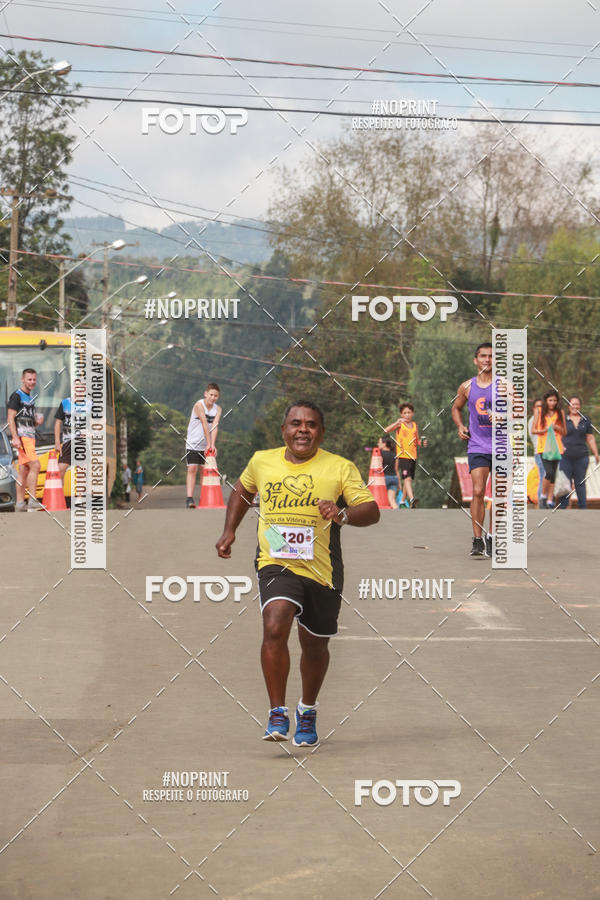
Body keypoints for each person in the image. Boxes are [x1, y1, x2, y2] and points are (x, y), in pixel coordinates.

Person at [216, 400, 380, 747]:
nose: (302, 429)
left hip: (322, 569)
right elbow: (244, 490)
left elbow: (371, 509)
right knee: (275, 624)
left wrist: (342, 514)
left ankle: (307, 709)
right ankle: (277, 711)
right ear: (284, 431)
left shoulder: (339, 467)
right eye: (295, 423)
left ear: (321, 431)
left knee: (315, 645)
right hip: (276, 562)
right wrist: (229, 529)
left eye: (311, 424)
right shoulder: (263, 460)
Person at [451, 343, 493, 557]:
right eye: (483, 356)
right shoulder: (467, 386)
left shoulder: (504, 386)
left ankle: (492, 537)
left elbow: (518, 411)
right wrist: (460, 426)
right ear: (476, 360)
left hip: (502, 445)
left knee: (499, 496)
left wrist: (504, 417)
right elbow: (455, 408)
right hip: (477, 445)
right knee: (478, 491)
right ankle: (477, 539)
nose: (487, 360)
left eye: (492, 356)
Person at [7, 367, 44, 511]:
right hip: (23, 438)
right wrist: (15, 437)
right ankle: (33, 500)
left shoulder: (30, 398)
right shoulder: (17, 396)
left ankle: (20, 503)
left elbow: (27, 420)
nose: (32, 382)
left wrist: (36, 422)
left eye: (34, 379)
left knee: (23, 470)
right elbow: (10, 418)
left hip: (30, 437)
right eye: (29, 379)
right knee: (36, 465)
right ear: (22, 379)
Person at [383, 402, 427, 508]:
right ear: (401, 415)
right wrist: (396, 422)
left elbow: (416, 441)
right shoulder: (400, 424)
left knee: (409, 480)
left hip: (413, 456)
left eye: (409, 412)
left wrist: (423, 443)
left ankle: (402, 501)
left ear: (412, 413)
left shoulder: (414, 425)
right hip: (403, 456)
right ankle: (412, 499)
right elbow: (386, 430)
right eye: (404, 413)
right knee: (407, 479)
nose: (407, 415)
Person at [558, 396, 599, 510]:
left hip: (581, 457)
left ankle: (583, 509)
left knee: (580, 483)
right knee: (565, 484)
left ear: (580, 406)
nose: (575, 406)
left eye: (577, 404)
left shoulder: (586, 419)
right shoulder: (563, 419)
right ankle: (563, 509)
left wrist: (596, 453)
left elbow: (590, 437)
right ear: (568, 406)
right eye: (572, 404)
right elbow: (558, 436)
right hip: (565, 457)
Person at [185, 382, 221, 508]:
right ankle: (189, 498)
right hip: (193, 443)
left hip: (206, 445)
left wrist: (212, 445)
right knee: (192, 469)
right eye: (211, 394)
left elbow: (214, 427)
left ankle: (203, 498)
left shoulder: (218, 409)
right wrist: (208, 443)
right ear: (206, 394)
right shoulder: (199, 405)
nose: (213, 398)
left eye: (215, 396)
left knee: (203, 471)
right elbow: (205, 424)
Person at [532, 390, 566, 508]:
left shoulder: (560, 412)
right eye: (550, 400)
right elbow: (533, 430)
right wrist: (545, 429)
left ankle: (550, 500)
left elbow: (564, 431)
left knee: (553, 474)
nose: (552, 403)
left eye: (555, 400)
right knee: (549, 472)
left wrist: (556, 426)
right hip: (544, 447)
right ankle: (543, 495)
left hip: (556, 447)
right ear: (546, 401)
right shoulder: (539, 411)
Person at [528, 398, 544, 507]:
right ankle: (541, 504)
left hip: (551, 454)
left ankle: (546, 503)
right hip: (540, 453)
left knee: (548, 478)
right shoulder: (533, 420)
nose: (540, 408)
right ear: (533, 408)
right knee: (544, 477)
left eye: (542, 406)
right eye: (537, 406)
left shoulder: (545, 419)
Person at [377, 436, 398, 508]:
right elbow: (396, 469)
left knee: (379, 499)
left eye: (379, 442)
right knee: (392, 500)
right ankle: (400, 516)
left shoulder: (380, 454)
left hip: (384, 478)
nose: (378, 444)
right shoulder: (395, 454)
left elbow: (379, 467)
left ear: (384, 444)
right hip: (394, 478)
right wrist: (399, 485)